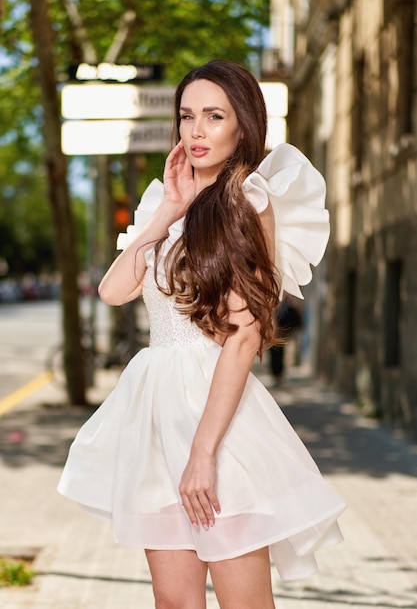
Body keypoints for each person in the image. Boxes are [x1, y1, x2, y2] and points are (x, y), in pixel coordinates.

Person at [58, 60, 345, 609]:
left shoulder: (249, 202)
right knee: (174, 602)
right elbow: (114, 290)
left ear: (243, 126)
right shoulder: (164, 200)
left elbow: (243, 336)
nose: (196, 131)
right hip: (154, 413)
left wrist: (204, 453)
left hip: (218, 419)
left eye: (214, 117)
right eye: (187, 116)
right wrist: (169, 208)